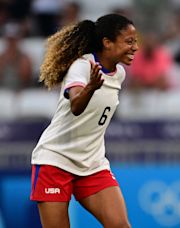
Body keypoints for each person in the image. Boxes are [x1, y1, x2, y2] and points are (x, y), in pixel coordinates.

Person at [30, 14, 138, 227]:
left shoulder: (119, 74)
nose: (135, 47)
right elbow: (76, 106)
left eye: (135, 41)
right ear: (107, 43)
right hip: (56, 160)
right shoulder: (82, 66)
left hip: (92, 164)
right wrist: (90, 88)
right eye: (129, 41)